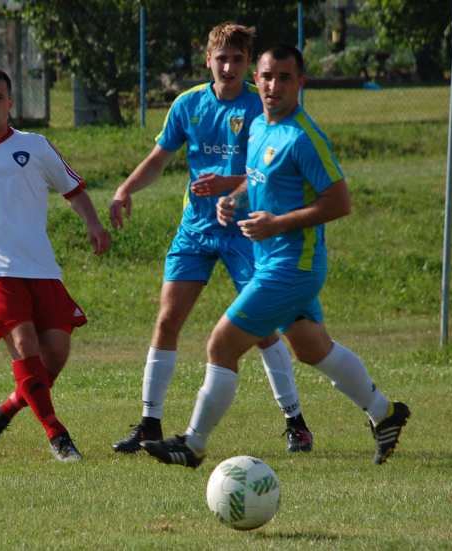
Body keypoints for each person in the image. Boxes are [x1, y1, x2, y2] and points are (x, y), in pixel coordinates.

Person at [141, 45, 410, 468]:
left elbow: (340, 203)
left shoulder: (304, 137)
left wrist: (277, 224)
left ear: (300, 83)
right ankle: (385, 413)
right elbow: (255, 178)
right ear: (258, 79)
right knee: (311, 347)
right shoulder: (261, 127)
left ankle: (192, 445)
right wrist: (233, 198)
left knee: (221, 344)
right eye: (267, 77)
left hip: (292, 265)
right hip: (271, 259)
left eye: (284, 77)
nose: (273, 86)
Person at [108, 22, 313, 455]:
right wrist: (125, 189)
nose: (229, 66)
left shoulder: (262, 110)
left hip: (246, 231)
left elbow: (270, 174)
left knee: (261, 330)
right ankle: (149, 422)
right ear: (208, 60)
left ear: (249, 67)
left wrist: (230, 184)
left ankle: (296, 421)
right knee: (167, 320)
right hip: (196, 230)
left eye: (238, 59)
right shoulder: (188, 105)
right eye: (222, 58)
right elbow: (159, 157)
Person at [0, 67, 111, 462]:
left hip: (39, 263)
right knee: (25, 345)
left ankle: (7, 409)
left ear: (11, 102)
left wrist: (94, 225)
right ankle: (57, 436)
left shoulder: (37, 146)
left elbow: (73, 189)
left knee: (56, 353)